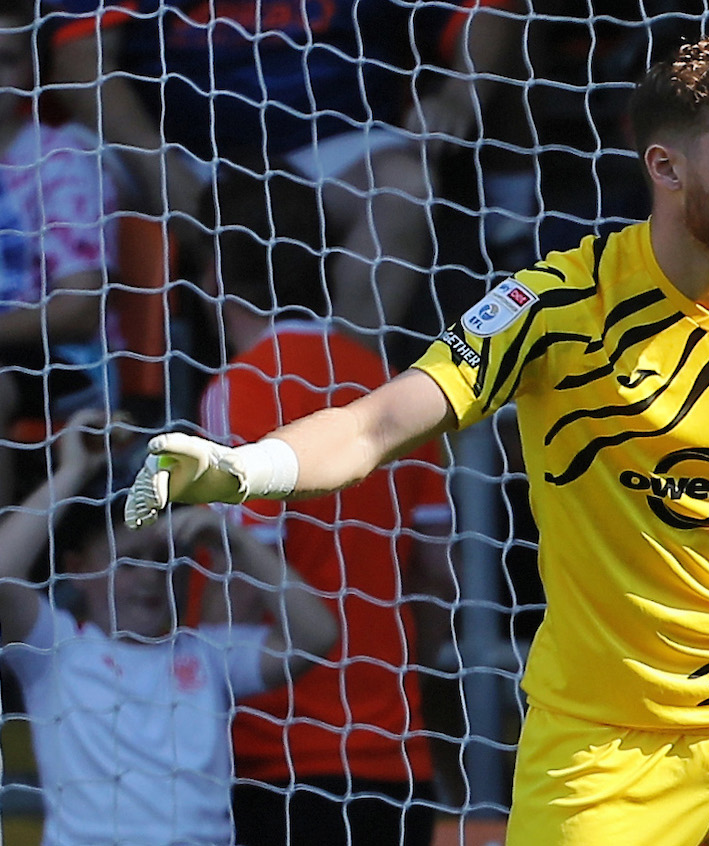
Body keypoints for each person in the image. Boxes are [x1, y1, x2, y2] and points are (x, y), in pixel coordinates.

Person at [122, 36, 709, 845]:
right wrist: (248, 468)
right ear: (664, 167)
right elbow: (377, 420)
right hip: (605, 752)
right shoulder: (551, 305)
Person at [192, 170, 459, 845]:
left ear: (215, 271)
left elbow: (242, 569)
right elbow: (434, 575)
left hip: (279, 750)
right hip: (397, 756)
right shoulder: (389, 389)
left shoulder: (243, 387)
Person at [44, 0, 520, 358]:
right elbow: (79, 54)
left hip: (336, 140)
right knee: (67, 157)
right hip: (176, 149)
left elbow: (486, 10)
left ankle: (338, 386)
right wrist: (159, 167)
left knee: (404, 186)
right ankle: (99, 381)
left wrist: (460, 94)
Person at [0, 410, 337, 846]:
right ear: (80, 571)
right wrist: (71, 472)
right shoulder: (57, 649)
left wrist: (233, 540)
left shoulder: (209, 655)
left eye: (164, 560)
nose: (149, 577)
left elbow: (316, 637)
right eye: (130, 560)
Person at [0, 0, 118, 505]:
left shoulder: (60, 160)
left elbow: (79, 309)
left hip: (63, 361)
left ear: (30, 70)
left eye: (3, 61)